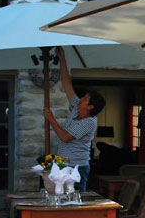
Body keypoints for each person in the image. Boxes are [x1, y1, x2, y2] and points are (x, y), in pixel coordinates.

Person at [43, 47, 105, 191]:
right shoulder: (77, 108)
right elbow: (67, 84)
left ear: (90, 107)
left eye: (85, 99)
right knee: (58, 194)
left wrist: (51, 118)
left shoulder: (89, 122)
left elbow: (65, 137)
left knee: (73, 198)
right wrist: (62, 58)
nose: (81, 99)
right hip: (62, 162)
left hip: (76, 166)